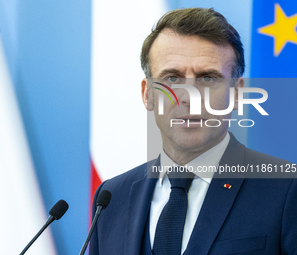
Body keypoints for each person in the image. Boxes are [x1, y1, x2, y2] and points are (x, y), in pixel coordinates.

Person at [89, 8, 297, 255]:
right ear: (147, 94)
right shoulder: (112, 197)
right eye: (173, 78)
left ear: (238, 93)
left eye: (207, 78)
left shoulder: (286, 189)